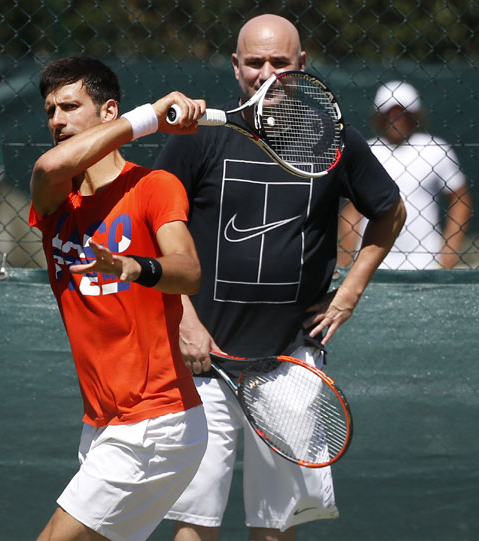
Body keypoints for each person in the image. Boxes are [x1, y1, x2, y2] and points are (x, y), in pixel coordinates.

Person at [153, 14, 406, 541]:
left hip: (291, 361)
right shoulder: (196, 138)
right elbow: (152, 228)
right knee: (193, 523)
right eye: (254, 62)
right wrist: (183, 318)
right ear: (235, 66)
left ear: (302, 66)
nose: (266, 72)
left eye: (280, 62)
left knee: (276, 525)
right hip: (203, 363)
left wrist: (349, 294)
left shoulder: (335, 140)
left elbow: (390, 212)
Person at [28, 56, 210, 541]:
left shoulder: (154, 187)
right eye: (50, 111)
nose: (57, 121)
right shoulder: (54, 200)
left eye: (70, 106)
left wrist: (134, 266)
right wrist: (153, 115)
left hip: (156, 420)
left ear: (109, 112)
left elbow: (188, 271)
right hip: (103, 424)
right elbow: (50, 165)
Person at [338, 80, 472, 269]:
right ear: (379, 115)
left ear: (415, 114)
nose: (396, 117)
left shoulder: (434, 150)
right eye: (389, 112)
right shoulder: (367, 150)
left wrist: (448, 253)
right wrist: (346, 264)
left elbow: (460, 200)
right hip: (371, 266)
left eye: (403, 112)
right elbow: (351, 212)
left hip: (426, 265)